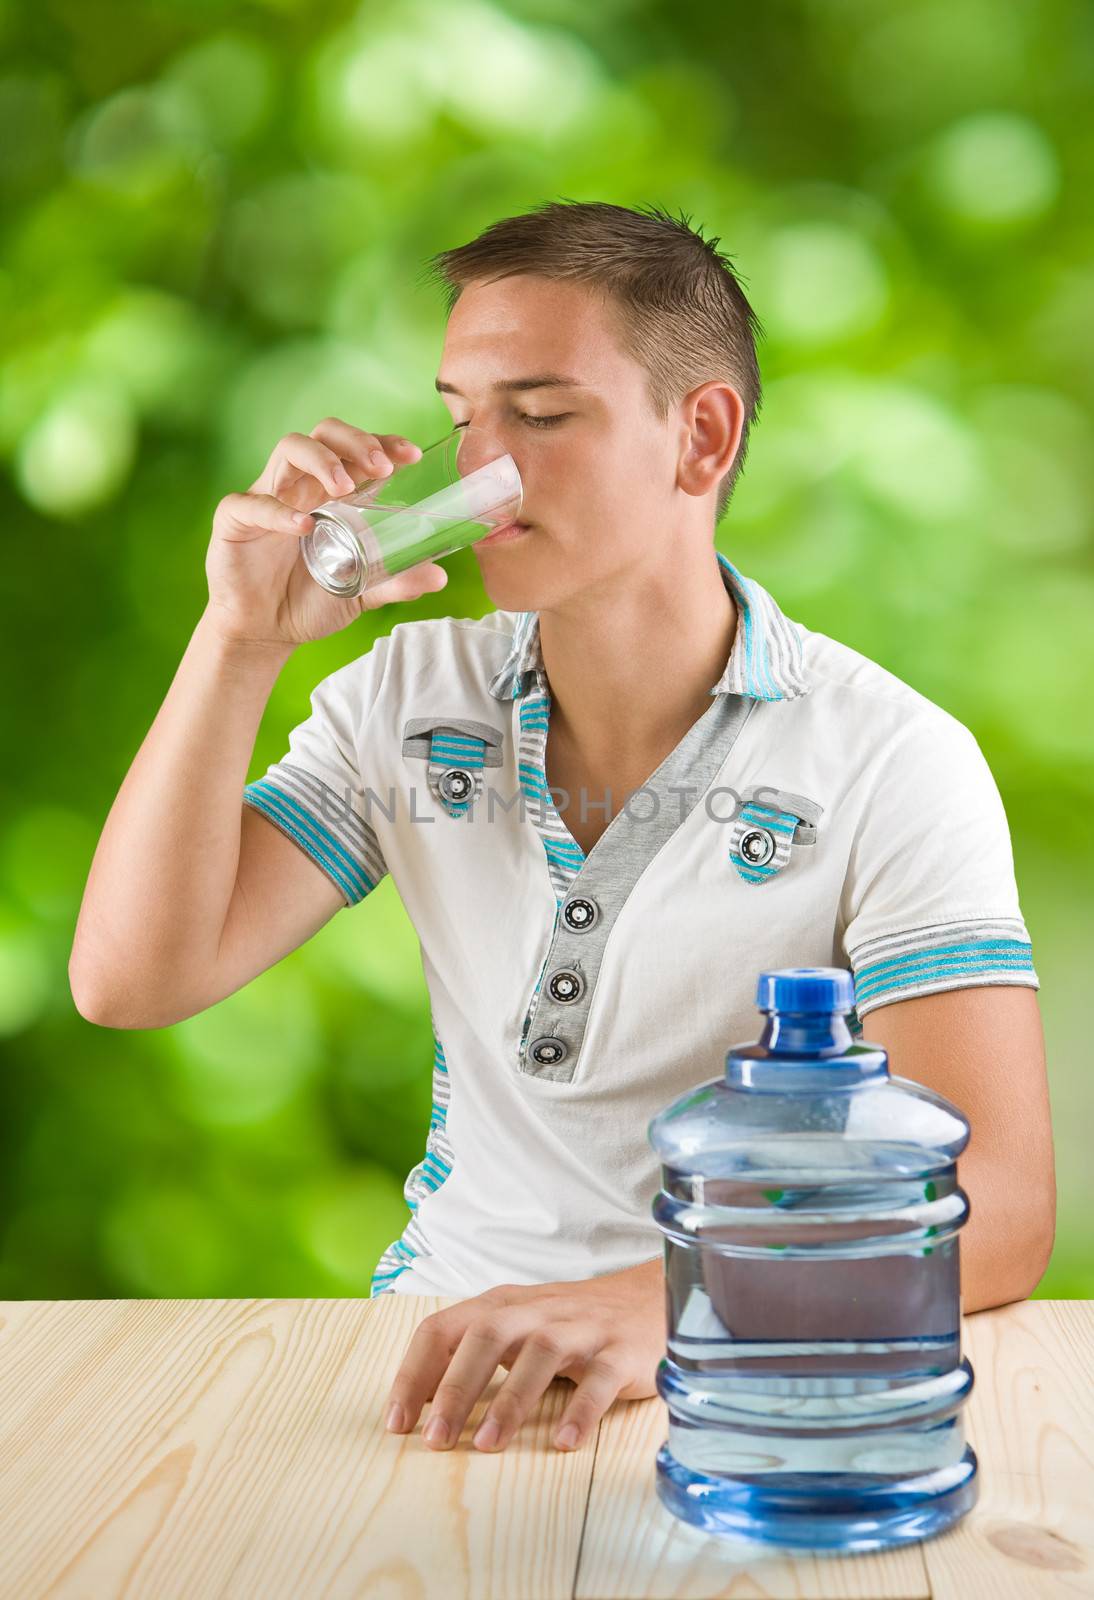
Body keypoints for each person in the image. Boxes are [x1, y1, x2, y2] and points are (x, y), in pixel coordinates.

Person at [69, 200, 1055, 1460]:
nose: (480, 473)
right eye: (462, 416)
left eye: (538, 416)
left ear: (699, 437)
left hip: (739, 1372)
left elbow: (1002, 1209)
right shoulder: (407, 700)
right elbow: (129, 977)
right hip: (439, 1365)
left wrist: (666, 1306)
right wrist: (239, 642)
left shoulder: (891, 761)